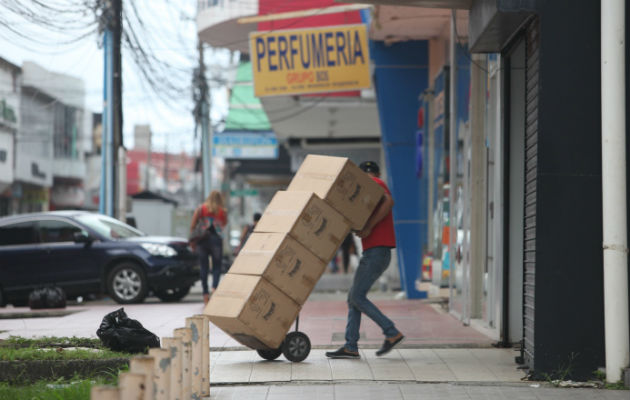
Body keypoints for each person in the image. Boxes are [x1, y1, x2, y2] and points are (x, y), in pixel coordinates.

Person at [326, 161, 404, 359]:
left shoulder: (375, 183)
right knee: (354, 298)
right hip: (375, 252)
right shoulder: (366, 198)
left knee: (357, 297)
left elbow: (389, 201)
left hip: (377, 252)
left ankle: (391, 332)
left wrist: (368, 227)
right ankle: (350, 346)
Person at [189, 190, 227, 305]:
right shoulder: (222, 211)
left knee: (204, 267)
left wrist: (193, 240)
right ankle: (214, 288)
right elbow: (224, 225)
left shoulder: (201, 209)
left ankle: (205, 294)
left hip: (202, 240)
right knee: (216, 267)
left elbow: (192, 225)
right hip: (216, 241)